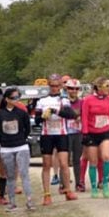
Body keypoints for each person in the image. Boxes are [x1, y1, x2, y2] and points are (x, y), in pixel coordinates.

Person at [34, 73, 79, 205]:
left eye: (57, 86)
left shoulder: (63, 100)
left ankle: (67, 190)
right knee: (46, 164)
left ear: (60, 86)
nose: (54, 88)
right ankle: (47, 194)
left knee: (64, 164)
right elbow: (36, 120)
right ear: (49, 85)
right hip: (47, 135)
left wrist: (56, 111)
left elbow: (71, 115)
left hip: (62, 134)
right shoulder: (42, 101)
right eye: (52, 85)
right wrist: (43, 116)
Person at [0, 87, 34, 212]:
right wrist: (4, 141)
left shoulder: (22, 113)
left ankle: (29, 200)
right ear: (7, 99)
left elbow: (27, 128)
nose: (16, 100)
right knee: (10, 176)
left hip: (21, 146)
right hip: (6, 148)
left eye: (18, 97)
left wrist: (21, 138)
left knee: (24, 174)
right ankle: (12, 202)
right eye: (13, 98)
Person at [82, 77, 109, 198]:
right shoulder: (88, 100)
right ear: (99, 87)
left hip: (105, 132)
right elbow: (84, 116)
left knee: (106, 157)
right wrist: (85, 133)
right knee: (94, 161)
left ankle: (105, 184)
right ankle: (94, 187)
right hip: (91, 133)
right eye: (106, 86)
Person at [64, 78, 84, 192]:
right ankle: (64, 184)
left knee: (77, 159)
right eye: (71, 88)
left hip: (78, 133)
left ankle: (78, 183)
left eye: (76, 88)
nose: (74, 91)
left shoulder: (82, 102)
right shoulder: (63, 101)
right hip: (65, 133)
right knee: (65, 160)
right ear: (67, 89)